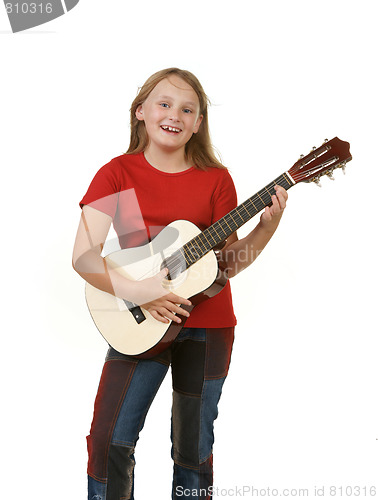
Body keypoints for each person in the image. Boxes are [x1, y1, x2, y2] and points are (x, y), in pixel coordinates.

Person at [72, 68, 288, 500]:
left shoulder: (216, 179)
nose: (175, 115)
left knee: (193, 449)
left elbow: (226, 266)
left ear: (198, 123)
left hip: (207, 328)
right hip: (140, 321)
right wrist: (141, 292)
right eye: (164, 104)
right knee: (109, 439)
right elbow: (84, 256)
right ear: (141, 113)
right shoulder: (118, 174)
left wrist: (265, 229)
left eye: (188, 109)